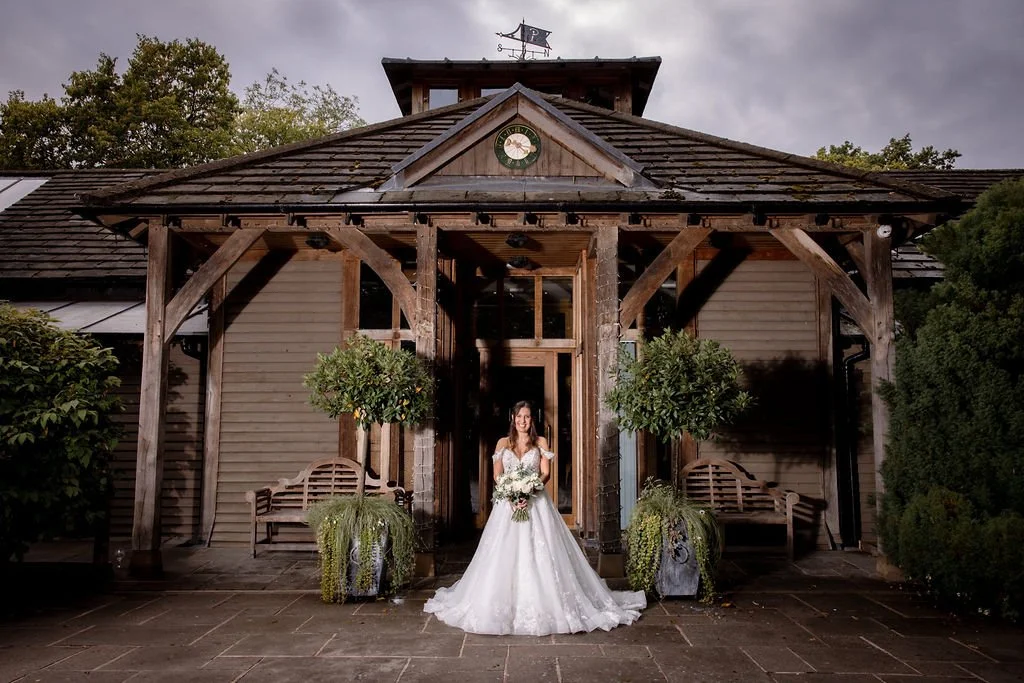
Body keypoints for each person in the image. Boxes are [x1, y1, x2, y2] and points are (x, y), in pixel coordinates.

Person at [424, 400, 647, 635]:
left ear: (532, 420)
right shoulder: (503, 442)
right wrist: (511, 494)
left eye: (527, 417)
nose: (522, 421)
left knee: (541, 551)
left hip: (536, 503)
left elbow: (546, 472)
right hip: (507, 506)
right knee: (502, 552)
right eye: (519, 416)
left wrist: (529, 489)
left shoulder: (540, 442)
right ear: (513, 418)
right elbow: (498, 474)